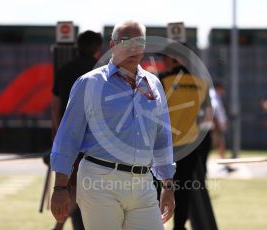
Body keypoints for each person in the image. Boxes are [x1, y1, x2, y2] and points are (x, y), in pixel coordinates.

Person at [50, 20, 176, 230]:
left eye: (140, 42)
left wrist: (168, 185)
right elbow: (68, 138)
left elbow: (162, 136)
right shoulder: (89, 83)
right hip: (99, 181)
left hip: (143, 183)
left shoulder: (154, 84)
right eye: (127, 41)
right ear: (112, 45)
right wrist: (60, 187)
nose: (134, 47)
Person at [50, 30, 103, 230]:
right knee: (81, 190)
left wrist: (59, 134)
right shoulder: (101, 71)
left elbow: (54, 105)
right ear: (98, 49)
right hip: (94, 143)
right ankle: (59, 226)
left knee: (73, 187)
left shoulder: (64, 69)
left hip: (70, 140)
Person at [159, 42, 212, 230]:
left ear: (170, 59)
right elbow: (207, 117)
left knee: (158, 187)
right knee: (184, 189)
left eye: (163, 59)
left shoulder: (162, 80)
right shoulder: (201, 83)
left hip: (163, 145)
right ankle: (179, 226)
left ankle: (156, 225)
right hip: (190, 144)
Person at [209, 81, 235, 173]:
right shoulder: (213, 95)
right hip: (215, 126)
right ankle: (224, 164)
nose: (223, 91)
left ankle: (225, 164)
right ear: (218, 87)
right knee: (218, 145)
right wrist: (218, 124)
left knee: (220, 145)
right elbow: (214, 111)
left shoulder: (215, 96)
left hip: (216, 125)